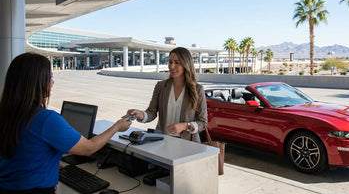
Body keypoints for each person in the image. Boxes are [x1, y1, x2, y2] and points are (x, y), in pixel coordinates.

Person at [0, 53, 131, 193]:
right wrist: (117, 126)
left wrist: (46, 163)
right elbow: (88, 148)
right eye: (49, 77)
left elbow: (20, 151)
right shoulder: (45, 119)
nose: (52, 83)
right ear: (36, 82)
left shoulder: (7, 113)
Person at [127, 47, 207, 142]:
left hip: (188, 144)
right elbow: (151, 113)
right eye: (170, 62)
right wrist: (140, 114)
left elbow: (203, 122)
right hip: (162, 141)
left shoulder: (197, 89)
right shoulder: (160, 86)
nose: (172, 66)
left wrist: (186, 126)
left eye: (177, 62)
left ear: (186, 64)